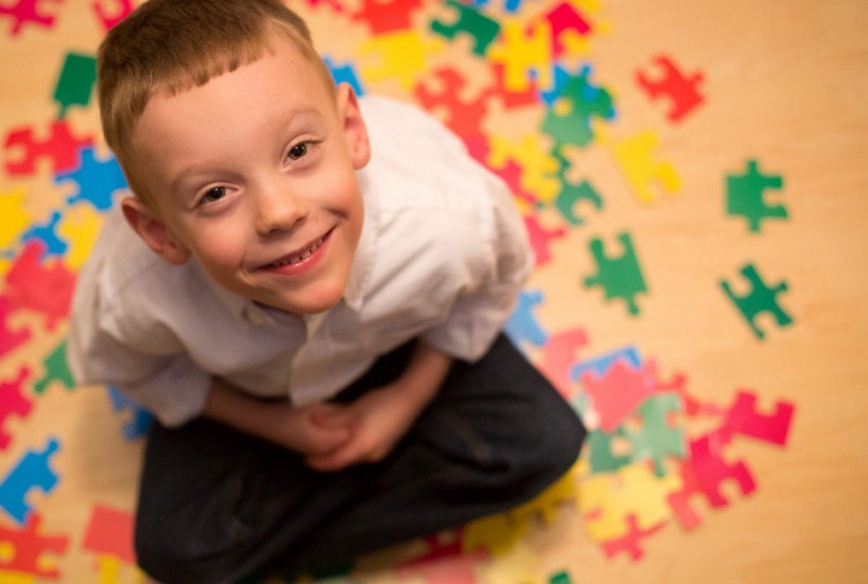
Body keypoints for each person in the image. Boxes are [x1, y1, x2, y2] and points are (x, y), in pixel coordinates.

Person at [67, 0, 586, 581]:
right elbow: (137, 369)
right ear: (159, 232)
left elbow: (487, 292)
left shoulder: (450, 222)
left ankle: (295, 527)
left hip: (399, 346)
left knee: (549, 443)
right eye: (216, 194)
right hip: (257, 399)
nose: (281, 212)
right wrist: (274, 427)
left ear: (351, 132)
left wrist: (406, 399)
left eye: (297, 152)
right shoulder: (132, 295)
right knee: (173, 554)